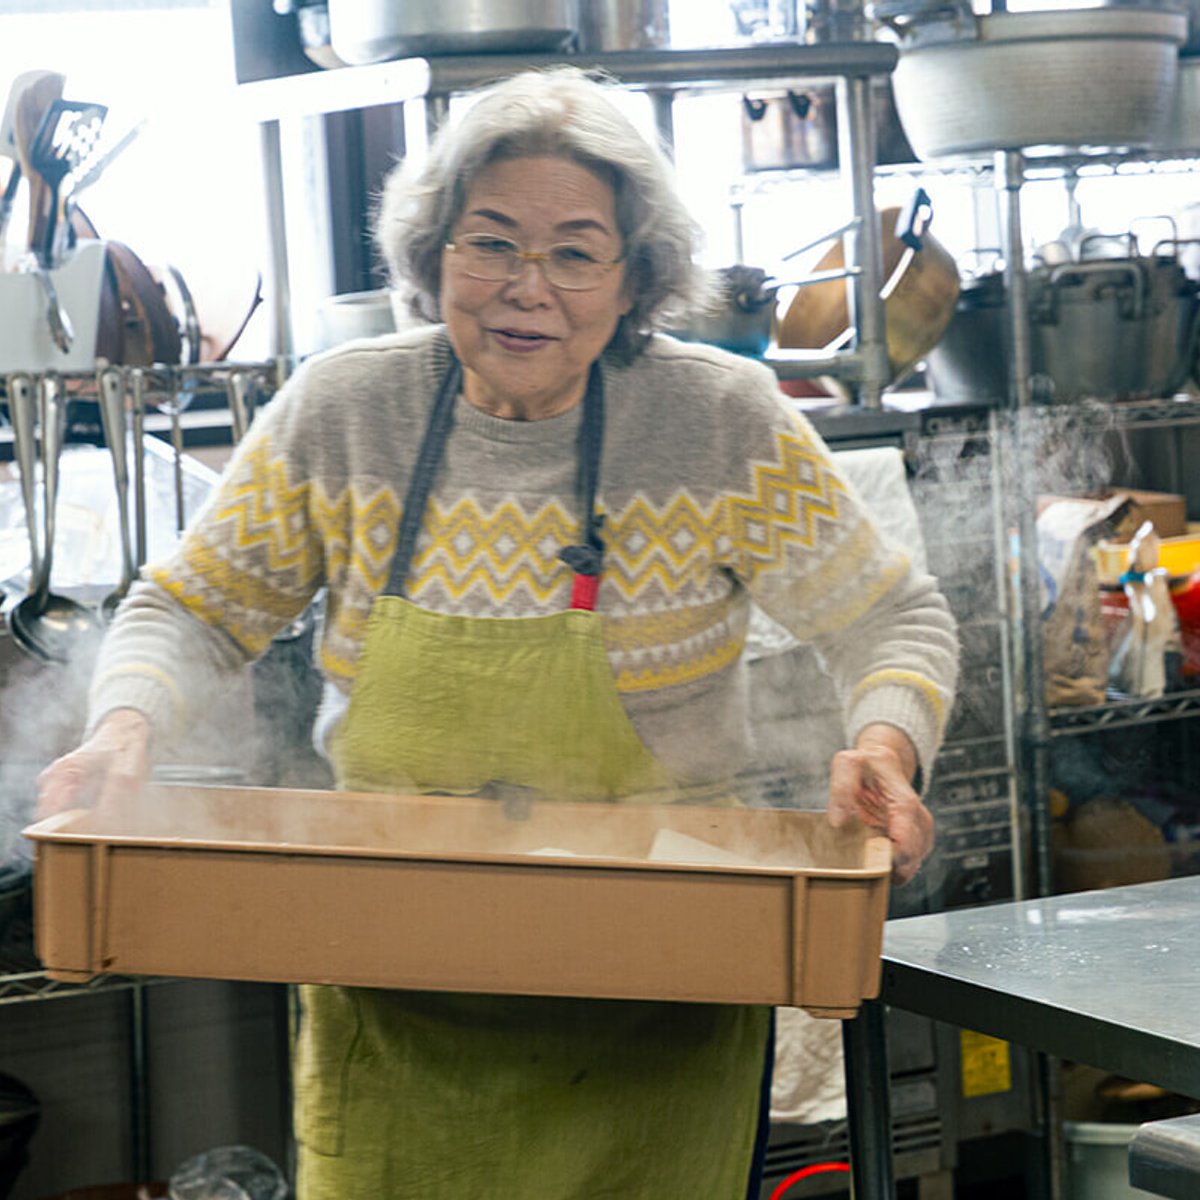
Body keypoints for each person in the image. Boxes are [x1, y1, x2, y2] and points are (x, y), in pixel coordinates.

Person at [38, 66, 958, 1199]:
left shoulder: (719, 421)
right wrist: (124, 728)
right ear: (433, 256)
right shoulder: (345, 411)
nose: (528, 289)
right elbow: (192, 607)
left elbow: (890, 617)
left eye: (576, 253)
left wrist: (886, 746)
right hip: (396, 998)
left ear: (636, 279)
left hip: (657, 1003)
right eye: (490, 244)